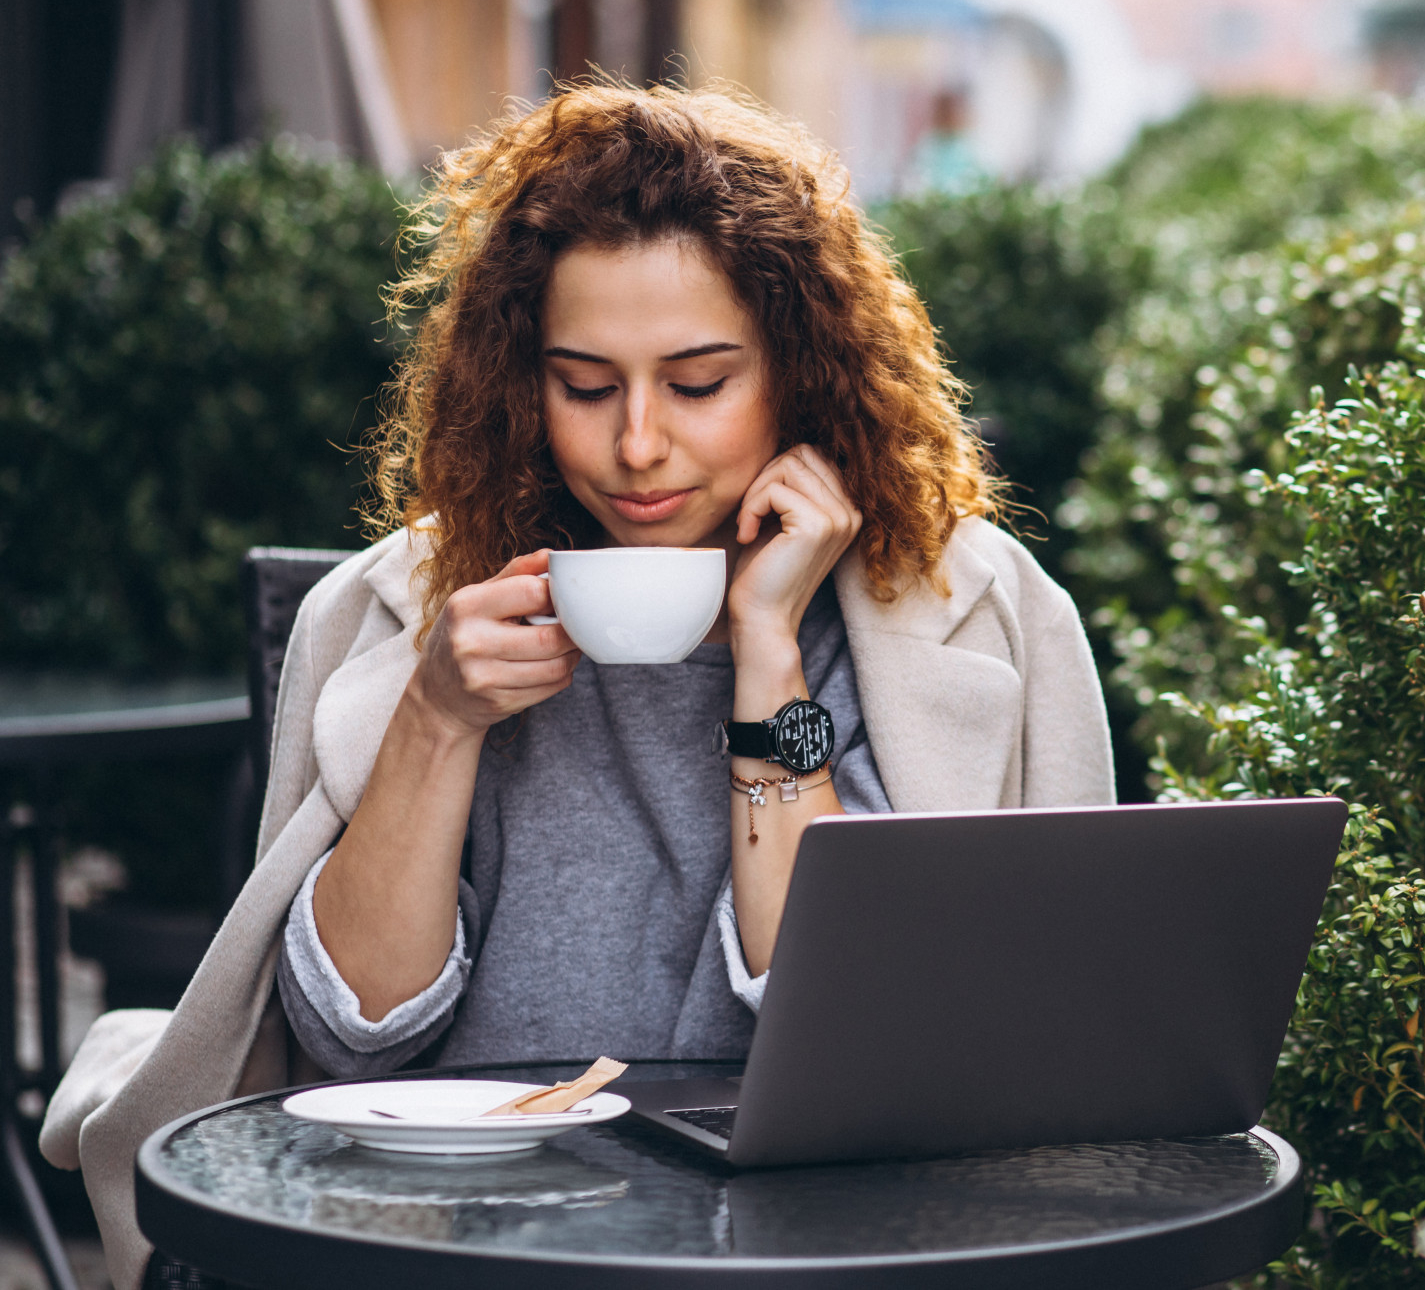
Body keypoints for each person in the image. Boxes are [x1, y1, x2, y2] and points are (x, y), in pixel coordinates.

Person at [41, 82, 1113, 1290]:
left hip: (818, 1248)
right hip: (458, 1240)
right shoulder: (403, 609)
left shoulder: (962, 610)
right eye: (585, 387)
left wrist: (766, 651)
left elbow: (864, 1033)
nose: (637, 445)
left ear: (802, 375)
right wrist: (435, 720)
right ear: (520, 379)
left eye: (698, 383)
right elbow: (348, 1034)